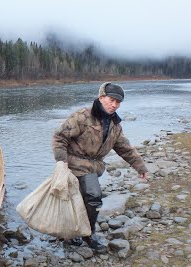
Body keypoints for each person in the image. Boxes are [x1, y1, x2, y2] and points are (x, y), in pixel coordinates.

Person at [52, 82, 148, 252]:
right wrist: (61, 161)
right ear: (101, 97)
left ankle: (79, 231)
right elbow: (60, 137)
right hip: (73, 163)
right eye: (111, 100)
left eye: (118, 102)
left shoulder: (115, 126)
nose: (114, 105)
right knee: (94, 196)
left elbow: (124, 148)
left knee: (82, 199)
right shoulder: (82, 117)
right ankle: (87, 233)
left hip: (93, 166)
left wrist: (140, 167)